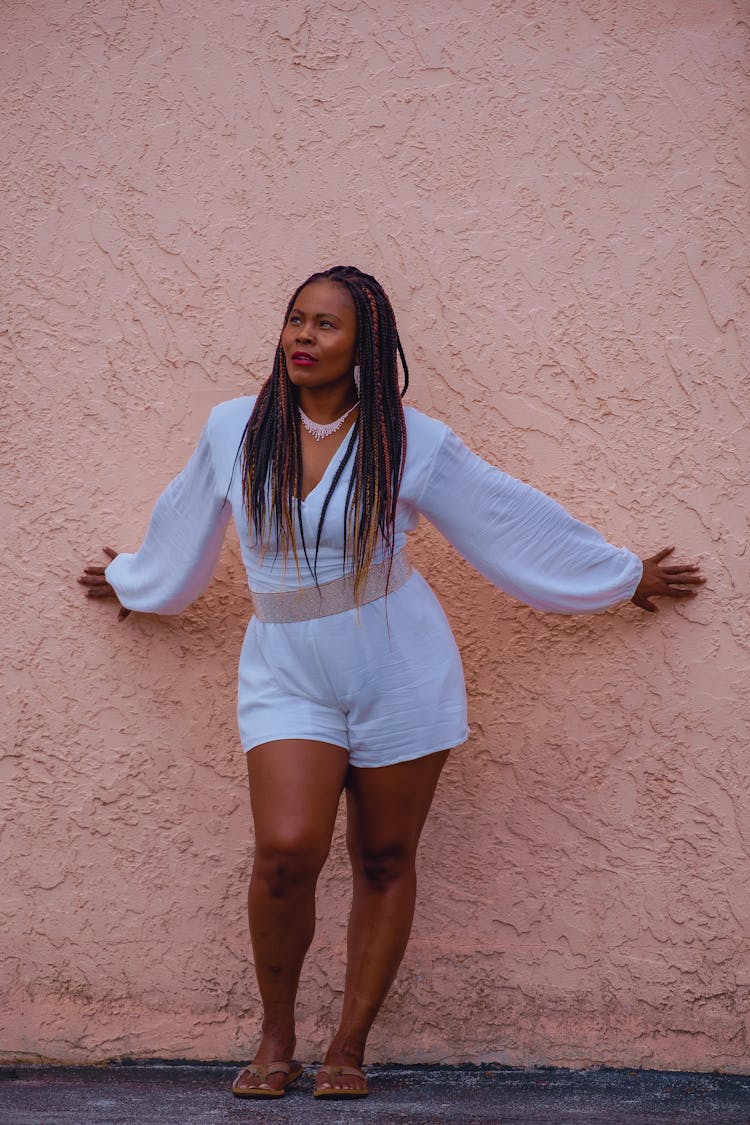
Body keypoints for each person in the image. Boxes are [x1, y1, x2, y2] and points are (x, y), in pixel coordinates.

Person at [79, 265, 705, 1100]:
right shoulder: (235, 428)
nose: (303, 336)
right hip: (287, 665)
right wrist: (139, 583)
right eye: (296, 319)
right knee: (285, 850)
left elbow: (504, 516)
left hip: (398, 661)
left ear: (365, 342)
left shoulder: (410, 440)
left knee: (382, 855)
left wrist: (616, 575)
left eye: (326, 325)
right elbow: (185, 518)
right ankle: (276, 1033)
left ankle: (349, 1044)